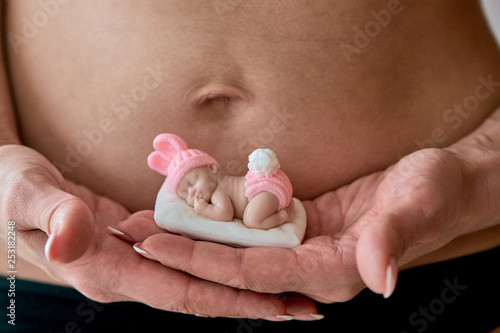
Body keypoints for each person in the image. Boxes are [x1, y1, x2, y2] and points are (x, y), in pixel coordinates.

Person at [0, 0, 499, 331]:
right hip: (52, 275)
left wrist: (478, 168)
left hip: (428, 261)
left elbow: (217, 210)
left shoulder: (220, 195)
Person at [148, 133, 294, 229]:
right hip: (268, 186)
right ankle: (285, 203)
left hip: (264, 190)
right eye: (185, 193)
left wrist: (205, 209)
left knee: (252, 221)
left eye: (193, 181)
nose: (192, 191)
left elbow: (225, 214)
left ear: (212, 168)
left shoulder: (219, 191)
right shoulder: (221, 183)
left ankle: (282, 216)